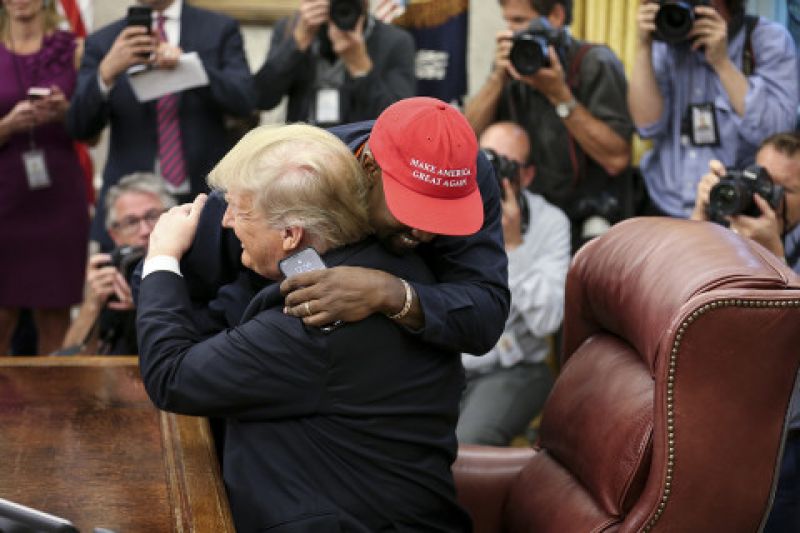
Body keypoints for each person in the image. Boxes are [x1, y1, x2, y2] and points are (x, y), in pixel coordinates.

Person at [137, 124, 472, 532]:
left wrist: (162, 257)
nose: (226, 222)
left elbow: (172, 377)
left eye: (240, 209)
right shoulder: (392, 266)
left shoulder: (314, 321)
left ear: (292, 234)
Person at [166, 96, 510, 356]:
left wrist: (390, 293)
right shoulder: (294, 172)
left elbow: (485, 315)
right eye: (412, 212)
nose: (425, 233)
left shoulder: (462, 174)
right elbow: (173, 275)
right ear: (369, 168)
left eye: (442, 219)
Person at [66, 0, 256, 250]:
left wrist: (190, 68)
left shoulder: (219, 28)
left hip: (204, 196)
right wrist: (105, 74)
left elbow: (245, 101)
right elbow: (80, 127)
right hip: (131, 209)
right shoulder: (104, 42)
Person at [690, 132, 800, 532]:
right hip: (715, 422)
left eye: (781, 189)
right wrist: (701, 219)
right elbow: (675, 295)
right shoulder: (726, 229)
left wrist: (777, 260)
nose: (762, 196)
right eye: (757, 179)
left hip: (784, 436)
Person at [464, 0, 633, 251]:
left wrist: (560, 96)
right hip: (525, 217)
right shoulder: (513, 63)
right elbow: (465, 138)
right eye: (507, 21)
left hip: (589, 224)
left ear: (555, 15)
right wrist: (497, 77)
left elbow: (617, 158)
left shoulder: (593, 62)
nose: (510, 31)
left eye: (519, 21)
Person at [630, 0, 799, 219]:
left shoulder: (767, 40)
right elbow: (647, 126)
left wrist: (722, 63)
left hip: (734, 208)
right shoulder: (667, 37)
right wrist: (644, 46)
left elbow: (774, 134)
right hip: (662, 202)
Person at [459, 121, 569, 445]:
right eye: (486, 158)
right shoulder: (451, 208)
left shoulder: (550, 222)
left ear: (528, 175)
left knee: (466, 448)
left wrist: (513, 246)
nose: (493, 172)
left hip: (513, 367)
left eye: (507, 164)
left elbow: (547, 319)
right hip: (447, 364)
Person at [0, 0, 89, 355]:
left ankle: (54, 410)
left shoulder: (75, 49)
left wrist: (67, 113)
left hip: (59, 196)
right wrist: (7, 126)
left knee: (55, 318)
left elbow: (92, 132)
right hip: (5, 197)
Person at [61, 173, 174, 355]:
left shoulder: (195, 266)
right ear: (114, 235)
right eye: (131, 222)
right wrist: (92, 304)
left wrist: (146, 304)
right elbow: (69, 363)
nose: (145, 230)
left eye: (153, 216)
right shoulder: (114, 274)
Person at [254, 0, 415, 126]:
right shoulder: (291, 29)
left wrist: (360, 67)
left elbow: (398, 121)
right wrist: (297, 43)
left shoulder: (395, 41)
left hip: (360, 153)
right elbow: (262, 99)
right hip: (303, 148)